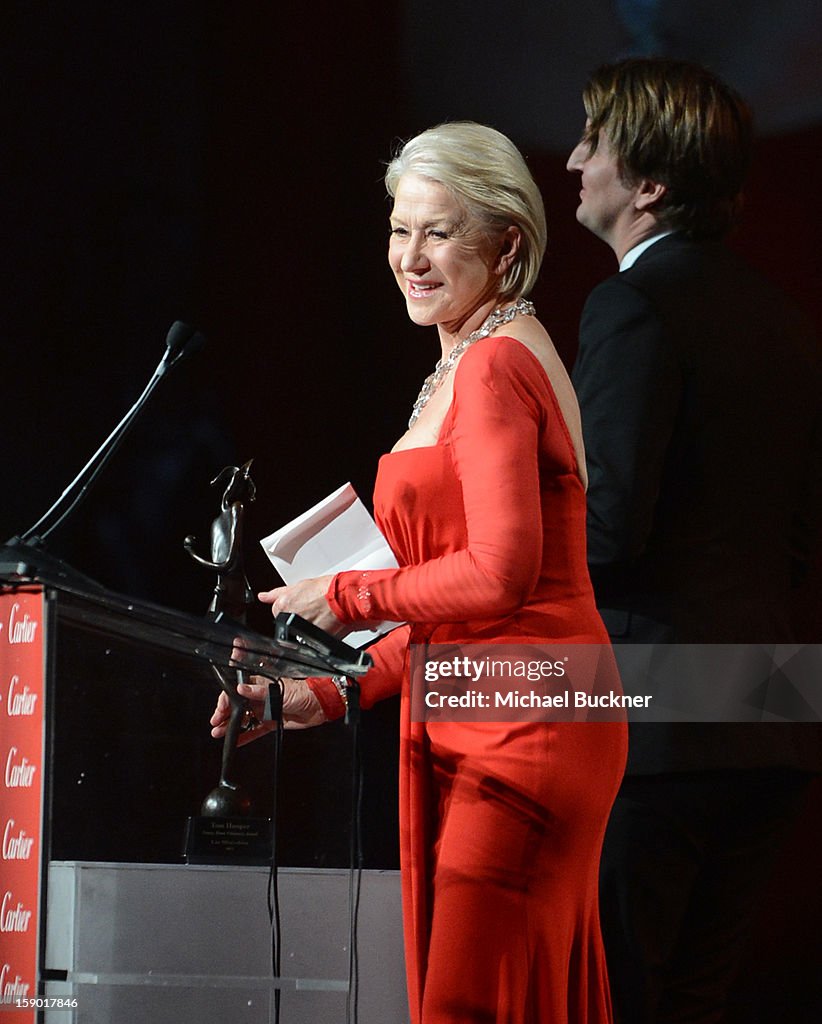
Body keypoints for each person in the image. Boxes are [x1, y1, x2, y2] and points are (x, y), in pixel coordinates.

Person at [212, 121, 627, 1024]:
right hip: (490, 695)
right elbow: (453, 611)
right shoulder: (464, 363)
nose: (412, 256)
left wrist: (344, 596)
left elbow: (499, 579)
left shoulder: (492, 368)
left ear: (506, 242)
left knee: (472, 1003)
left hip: (526, 715)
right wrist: (321, 696)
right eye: (401, 230)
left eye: (439, 231)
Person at [567, 58, 822, 1023]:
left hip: (661, 721)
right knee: (698, 1001)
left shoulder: (632, 303)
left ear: (650, 184)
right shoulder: (787, 316)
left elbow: (608, 526)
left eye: (595, 141)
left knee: (621, 997)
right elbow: (800, 543)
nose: (576, 160)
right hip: (777, 711)